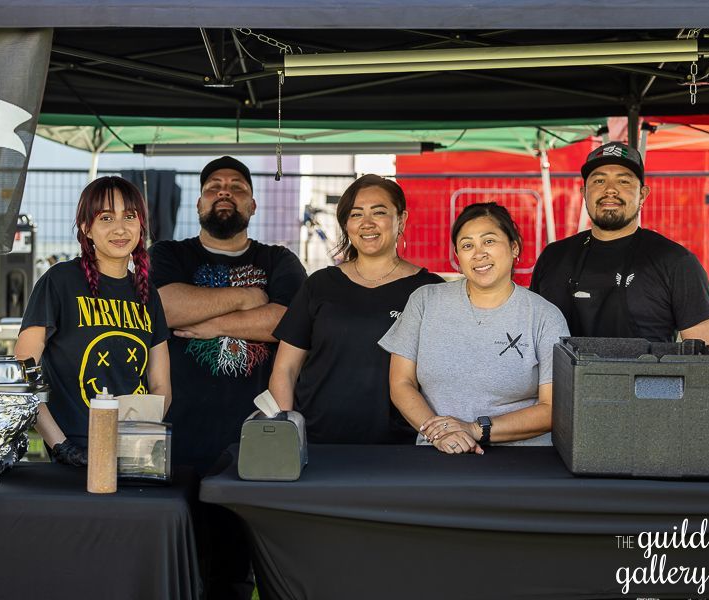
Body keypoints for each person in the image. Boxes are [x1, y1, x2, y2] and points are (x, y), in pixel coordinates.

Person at [149, 156, 306, 600]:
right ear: (199, 202)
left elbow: (287, 322)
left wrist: (213, 322)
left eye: (237, 186)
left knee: (234, 575)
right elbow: (167, 308)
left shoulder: (278, 259)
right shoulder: (169, 254)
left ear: (252, 205)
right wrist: (247, 298)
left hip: (251, 439)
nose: (224, 191)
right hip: (178, 438)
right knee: (177, 569)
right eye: (214, 185)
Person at [380, 202, 569, 454]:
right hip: (438, 453)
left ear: (514, 248)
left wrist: (475, 429)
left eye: (489, 241)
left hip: (523, 461)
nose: (478, 254)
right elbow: (401, 383)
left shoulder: (544, 316)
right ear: (458, 257)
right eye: (467, 245)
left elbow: (552, 408)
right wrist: (440, 434)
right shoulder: (425, 301)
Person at [269, 174, 443, 443]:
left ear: (402, 219)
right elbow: (285, 369)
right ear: (346, 224)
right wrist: (285, 436)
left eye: (379, 212)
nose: (367, 223)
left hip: (402, 445)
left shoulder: (430, 289)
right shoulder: (320, 284)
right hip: (318, 444)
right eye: (356, 214)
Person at [15, 176, 170, 466]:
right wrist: (61, 447)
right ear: (87, 228)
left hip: (133, 452)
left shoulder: (148, 295)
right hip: (73, 453)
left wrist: (138, 438)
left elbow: (161, 386)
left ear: (141, 226)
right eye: (106, 218)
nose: (120, 228)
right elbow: (24, 373)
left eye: (130, 216)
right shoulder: (59, 282)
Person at [530, 141, 709, 346]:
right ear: (584, 192)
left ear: (642, 194)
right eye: (599, 181)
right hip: (562, 378)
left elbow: (708, 356)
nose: (610, 190)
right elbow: (528, 338)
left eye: (624, 182)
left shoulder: (676, 262)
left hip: (645, 378)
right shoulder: (553, 258)